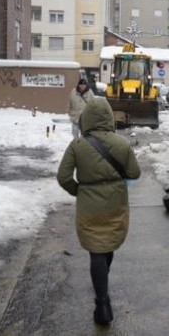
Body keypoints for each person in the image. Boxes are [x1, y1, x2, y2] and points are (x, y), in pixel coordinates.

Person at [56, 97, 141, 325]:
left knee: (97, 250)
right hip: (115, 204)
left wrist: (79, 191)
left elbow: (63, 177)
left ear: (86, 118)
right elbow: (135, 173)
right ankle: (102, 288)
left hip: (89, 207)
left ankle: (102, 302)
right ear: (109, 117)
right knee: (108, 245)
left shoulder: (77, 145)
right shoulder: (122, 144)